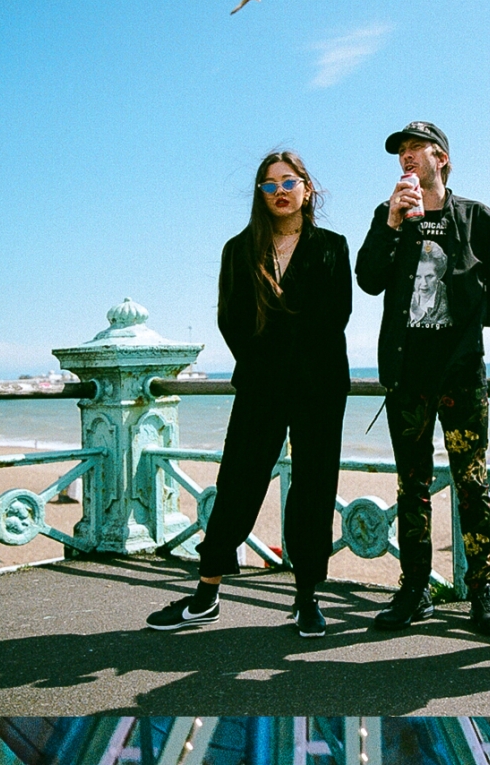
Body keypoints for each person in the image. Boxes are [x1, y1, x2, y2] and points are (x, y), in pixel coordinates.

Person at [146, 151, 351, 638]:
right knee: (238, 482)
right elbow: (231, 321)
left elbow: (336, 315)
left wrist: (291, 355)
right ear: (260, 194)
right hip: (261, 384)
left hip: (320, 386)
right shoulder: (239, 249)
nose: (280, 191)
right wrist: (271, 362)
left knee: (314, 488)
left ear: (307, 189)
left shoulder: (332, 246)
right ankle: (206, 594)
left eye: (289, 182)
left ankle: (307, 597)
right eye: (269, 184)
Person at [355, 121, 490, 636]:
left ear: (440, 158)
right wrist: (391, 224)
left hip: (461, 376)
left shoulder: (476, 216)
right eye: (400, 151)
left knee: (472, 483)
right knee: (412, 487)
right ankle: (414, 588)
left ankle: (483, 589)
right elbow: (368, 278)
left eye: (415, 148)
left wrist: (468, 328)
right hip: (407, 378)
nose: (405, 157)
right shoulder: (389, 216)